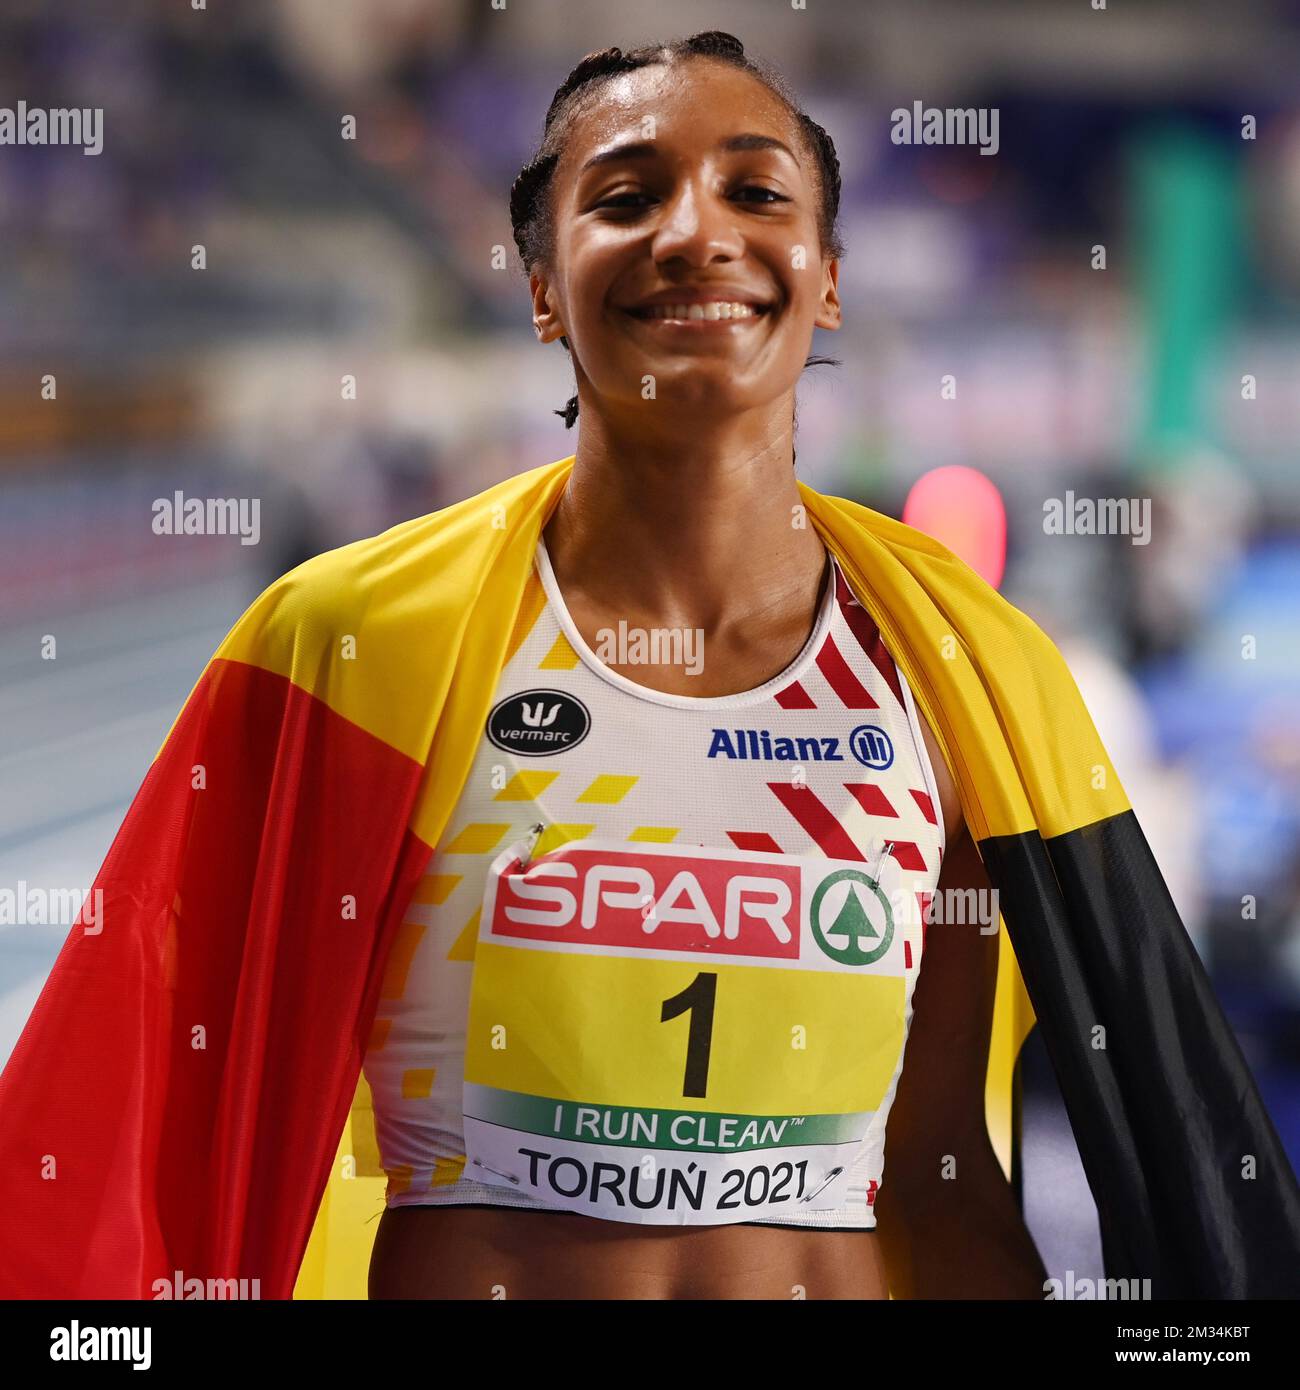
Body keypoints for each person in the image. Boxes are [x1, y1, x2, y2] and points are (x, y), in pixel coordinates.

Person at [1, 33, 1296, 1303]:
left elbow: (939, 1178)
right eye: (625, 197)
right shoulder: (352, 643)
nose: (695, 233)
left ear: (828, 274)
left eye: (755, 190)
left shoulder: (958, 677)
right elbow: (140, 1120)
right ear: (543, 284)